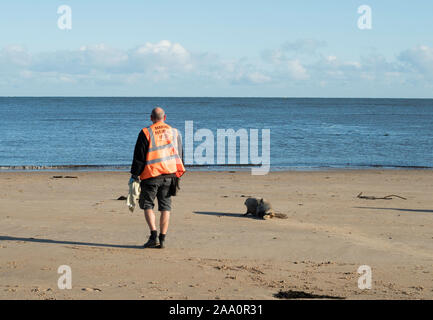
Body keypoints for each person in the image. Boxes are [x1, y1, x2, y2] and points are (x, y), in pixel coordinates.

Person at [130, 107, 185, 249]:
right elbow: (180, 153)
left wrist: (134, 175)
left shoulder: (146, 132)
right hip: (170, 174)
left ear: (151, 118)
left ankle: (153, 236)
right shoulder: (175, 132)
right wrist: (179, 172)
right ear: (164, 117)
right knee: (165, 207)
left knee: (147, 205)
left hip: (151, 175)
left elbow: (139, 157)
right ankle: (163, 238)